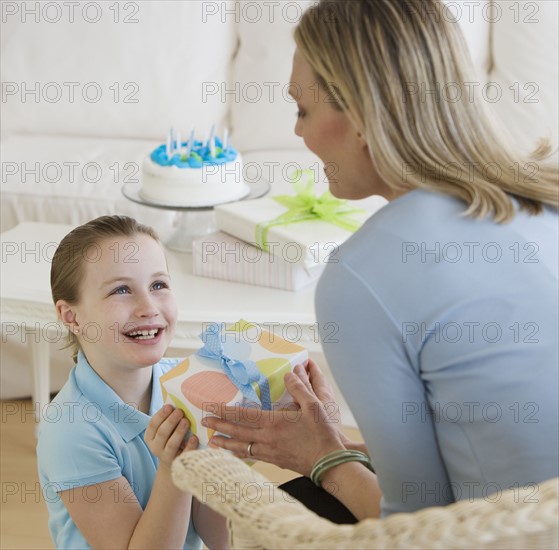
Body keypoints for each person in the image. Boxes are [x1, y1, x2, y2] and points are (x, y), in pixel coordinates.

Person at [201, 0, 559, 521]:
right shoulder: (544, 199)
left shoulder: (361, 275)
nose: (298, 133)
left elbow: (415, 524)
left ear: (364, 116)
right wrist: (338, 444)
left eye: (304, 110)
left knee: (299, 502)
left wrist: (322, 458)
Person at [37, 215, 230, 549]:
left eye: (158, 285)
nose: (148, 307)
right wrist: (174, 467)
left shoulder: (187, 384)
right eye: (121, 290)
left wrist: (223, 450)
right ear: (72, 317)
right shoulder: (70, 430)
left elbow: (219, 537)